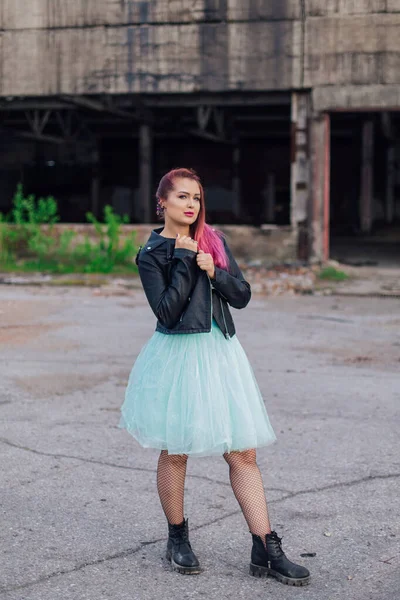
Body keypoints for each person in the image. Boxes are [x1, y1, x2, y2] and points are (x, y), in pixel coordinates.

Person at [119, 168, 310, 587]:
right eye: (183, 197)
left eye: (198, 198)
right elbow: (167, 312)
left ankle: (266, 548)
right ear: (162, 202)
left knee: (243, 454)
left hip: (222, 353)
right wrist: (186, 260)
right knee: (176, 451)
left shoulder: (215, 240)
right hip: (178, 356)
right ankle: (178, 539)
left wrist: (213, 269)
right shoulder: (151, 252)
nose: (192, 205)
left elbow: (241, 295)